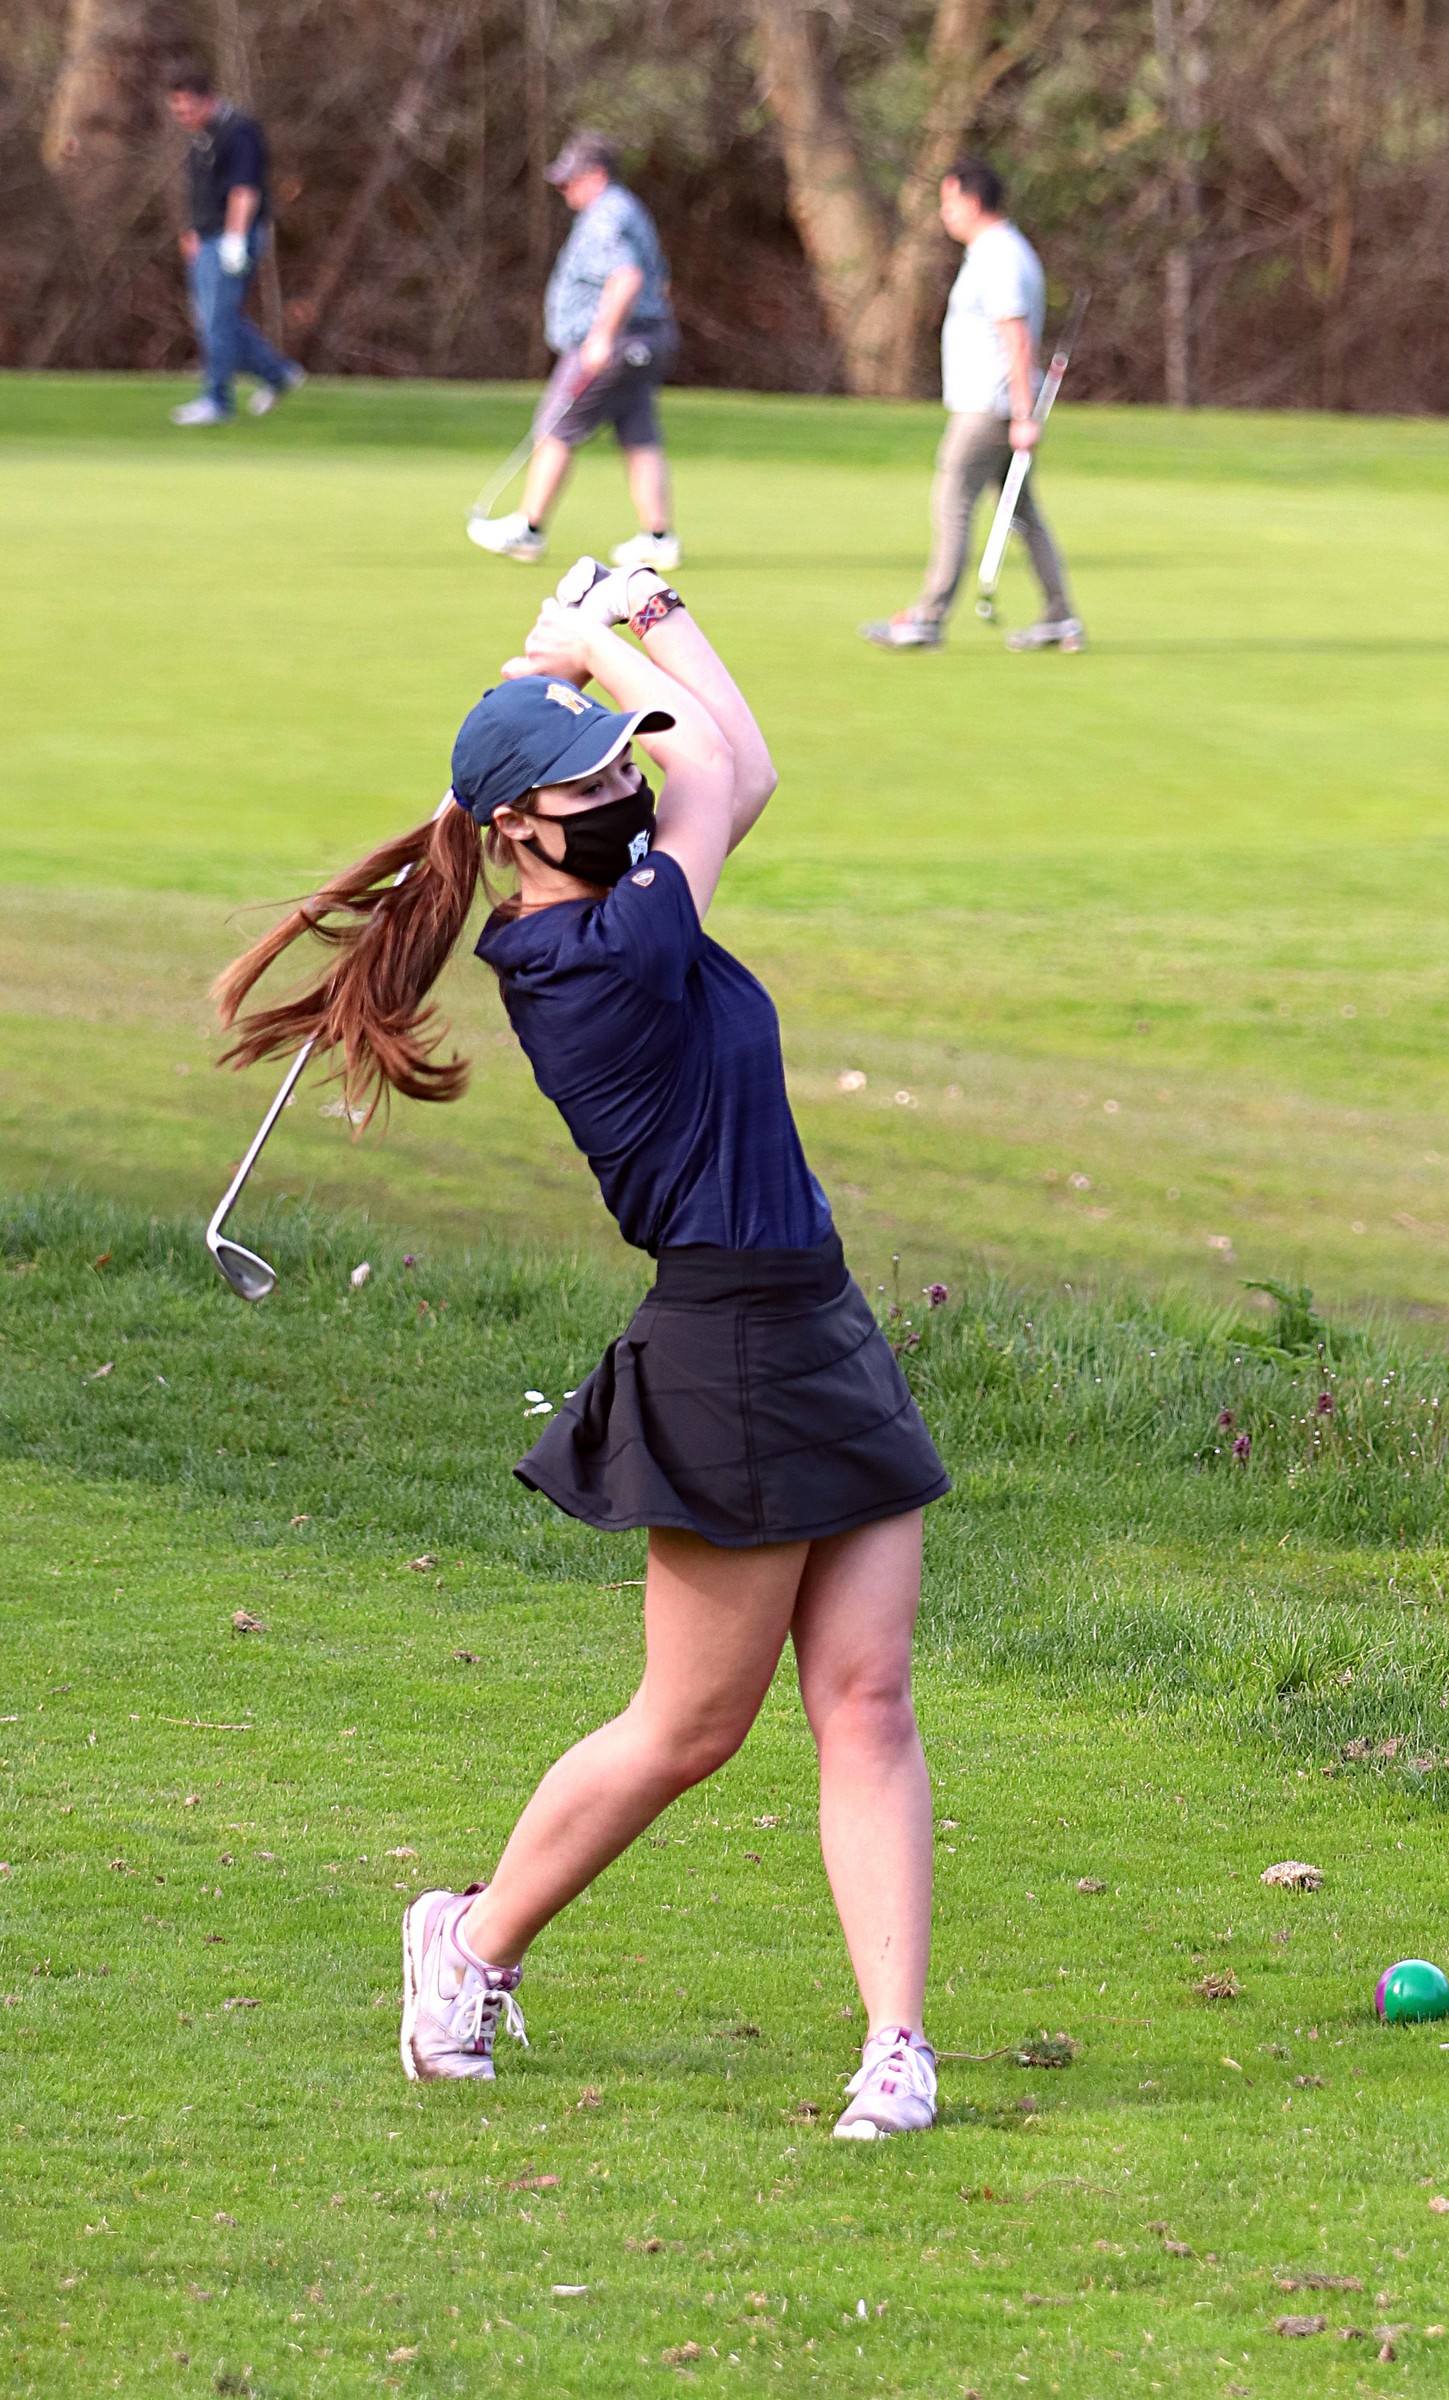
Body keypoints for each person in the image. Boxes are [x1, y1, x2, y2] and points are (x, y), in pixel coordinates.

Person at [212, 557, 951, 2140]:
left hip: (814, 1312)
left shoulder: (615, 900)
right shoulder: (593, 957)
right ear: (514, 835)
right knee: (691, 1728)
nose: (617, 783)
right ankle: (466, 1943)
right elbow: (723, 770)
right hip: (724, 1345)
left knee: (870, 1698)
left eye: (613, 767)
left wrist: (642, 628)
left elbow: (721, 768)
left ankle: (896, 2047)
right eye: (581, 782)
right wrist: (596, 646)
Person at [861, 156, 1083, 654]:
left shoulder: (999, 255)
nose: (945, 214)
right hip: (998, 406)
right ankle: (1060, 616)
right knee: (1022, 511)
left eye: (949, 203)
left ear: (973, 201)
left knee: (953, 501)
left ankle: (928, 617)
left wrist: (1025, 415)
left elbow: (1016, 337)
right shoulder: (996, 251)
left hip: (989, 407)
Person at [470, 134, 680, 571]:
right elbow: (660, 281)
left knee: (556, 427)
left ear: (597, 176)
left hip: (615, 342)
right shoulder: (628, 210)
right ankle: (657, 537)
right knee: (638, 433)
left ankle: (528, 528)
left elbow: (626, 277)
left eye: (571, 181)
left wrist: (602, 337)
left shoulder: (607, 214)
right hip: (647, 339)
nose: (565, 190)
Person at [166, 65, 305, 428]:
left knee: (216, 321)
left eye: (187, 109)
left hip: (232, 237)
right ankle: (276, 375)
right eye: (176, 111)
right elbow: (200, 192)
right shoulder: (201, 136)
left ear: (207, 100)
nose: (183, 117)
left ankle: (217, 400)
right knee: (216, 320)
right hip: (205, 236)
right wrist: (191, 230)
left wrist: (234, 238)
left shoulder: (239, 132)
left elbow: (243, 189)